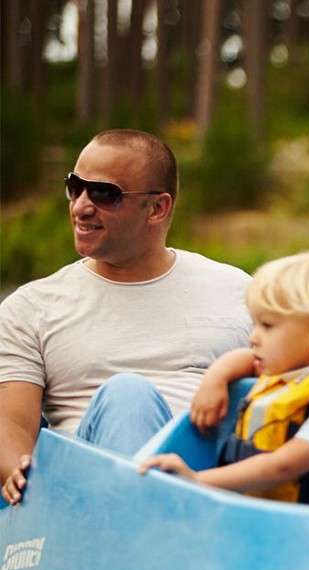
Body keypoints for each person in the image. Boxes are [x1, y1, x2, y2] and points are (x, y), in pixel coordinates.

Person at [1, 129, 251, 506]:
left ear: (157, 208)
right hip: (86, 498)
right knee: (127, 396)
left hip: (207, 485)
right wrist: (20, 475)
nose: (81, 206)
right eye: (75, 186)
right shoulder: (31, 307)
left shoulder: (238, 291)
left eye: (103, 194)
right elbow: (12, 422)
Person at [137, 250, 309, 512]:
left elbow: (283, 468)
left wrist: (196, 480)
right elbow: (247, 359)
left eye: (268, 326)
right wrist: (217, 376)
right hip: (298, 525)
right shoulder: (292, 377)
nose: (253, 337)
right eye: (254, 324)